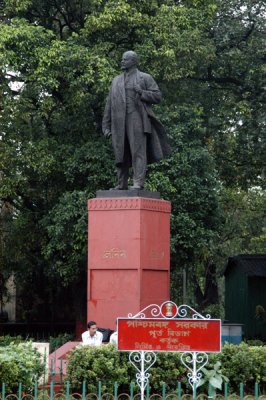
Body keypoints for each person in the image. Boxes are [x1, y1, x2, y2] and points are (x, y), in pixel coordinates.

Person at [102, 50, 171, 190]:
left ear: (133, 61)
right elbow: (109, 104)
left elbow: (157, 96)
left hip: (137, 118)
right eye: (122, 59)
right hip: (118, 122)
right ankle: (121, 184)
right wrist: (106, 126)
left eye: (125, 59)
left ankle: (138, 182)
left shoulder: (144, 78)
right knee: (120, 153)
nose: (122, 62)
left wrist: (142, 92)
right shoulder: (116, 81)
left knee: (138, 151)